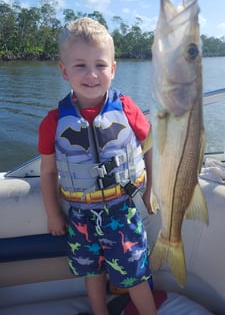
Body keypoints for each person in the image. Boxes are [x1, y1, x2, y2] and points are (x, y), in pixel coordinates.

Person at [38, 17, 156, 315]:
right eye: (80, 65)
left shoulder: (127, 108)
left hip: (122, 210)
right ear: (64, 71)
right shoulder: (53, 121)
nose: (92, 74)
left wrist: (150, 189)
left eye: (100, 65)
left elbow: (151, 147)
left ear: (113, 69)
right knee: (92, 272)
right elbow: (49, 171)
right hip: (80, 215)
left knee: (135, 274)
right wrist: (53, 213)